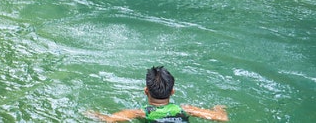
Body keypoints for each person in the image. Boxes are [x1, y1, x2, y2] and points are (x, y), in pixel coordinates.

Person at [87, 66, 229, 122]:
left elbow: (110, 120)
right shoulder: (184, 109)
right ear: (172, 92)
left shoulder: (141, 112)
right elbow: (222, 118)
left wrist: (93, 114)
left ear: (146, 91)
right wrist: (219, 108)